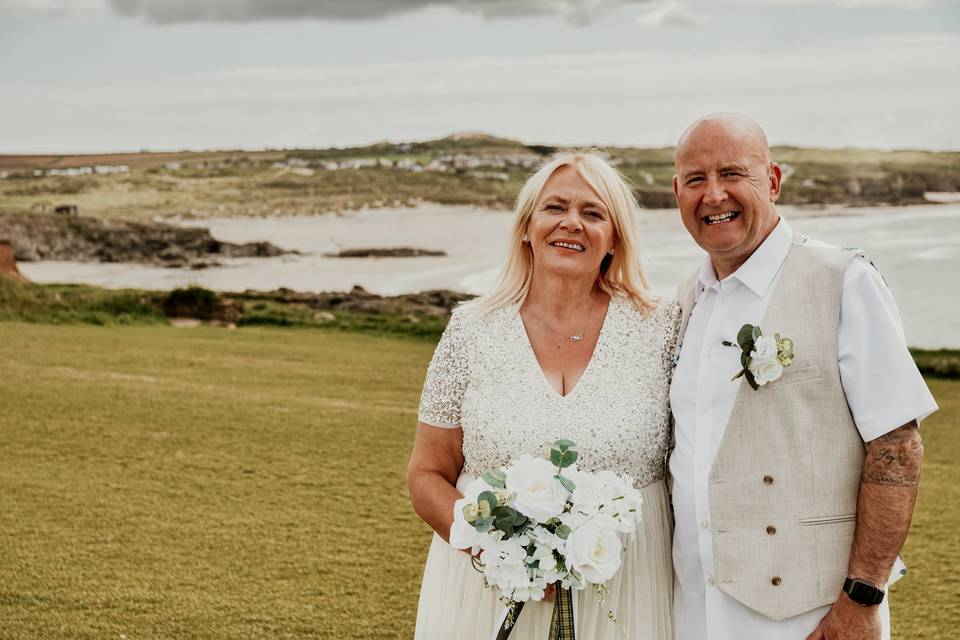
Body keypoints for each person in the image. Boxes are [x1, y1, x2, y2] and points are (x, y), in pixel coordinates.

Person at [668, 113, 939, 640]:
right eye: (696, 179)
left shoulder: (843, 280)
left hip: (811, 618)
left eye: (732, 173)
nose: (713, 194)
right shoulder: (685, 298)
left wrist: (862, 600)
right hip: (694, 610)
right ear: (677, 192)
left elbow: (897, 447)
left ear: (771, 180)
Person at [407, 151, 680, 639]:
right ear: (526, 228)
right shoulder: (470, 330)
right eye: (555, 208)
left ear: (615, 238)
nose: (571, 223)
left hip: (631, 591)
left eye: (593, 213)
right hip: (488, 592)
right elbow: (427, 474)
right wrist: (493, 550)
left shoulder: (661, 328)